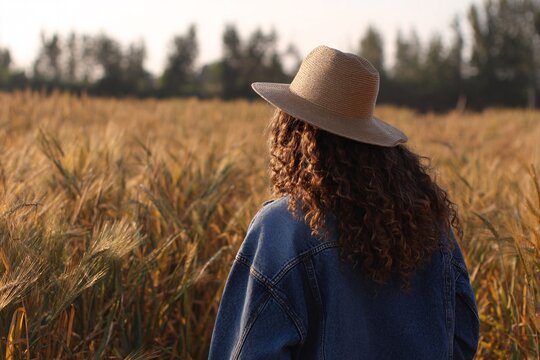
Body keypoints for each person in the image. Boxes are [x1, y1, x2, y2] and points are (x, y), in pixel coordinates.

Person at [208, 45, 479, 359]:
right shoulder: (428, 225)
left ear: (293, 131)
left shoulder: (282, 228)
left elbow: (250, 351)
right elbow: (462, 338)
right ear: (369, 141)